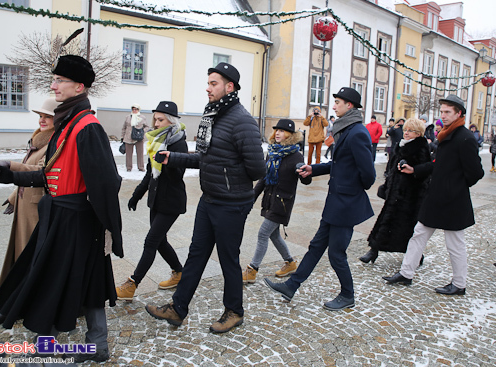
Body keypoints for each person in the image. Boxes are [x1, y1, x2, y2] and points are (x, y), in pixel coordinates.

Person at [0, 54, 123, 363]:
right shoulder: (68, 123)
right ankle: (68, 340)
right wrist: (9, 175)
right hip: (58, 214)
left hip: (77, 220)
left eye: (59, 80)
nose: (53, 85)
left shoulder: (88, 126)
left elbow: (108, 182)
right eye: (54, 79)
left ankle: (85, 343)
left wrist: (105, 229)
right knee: (59, 276)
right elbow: (48, 176)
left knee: (80, 278)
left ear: (79, 87)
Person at [144, 62, 265, 333]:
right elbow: (206, 159)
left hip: (231, 204)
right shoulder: (213, 116)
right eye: (208, 83)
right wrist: (173, 158)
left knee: (227, 258)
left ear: (229, 87)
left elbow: (258, 169)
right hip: (210, 199)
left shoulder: (243, 121)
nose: (208, 88)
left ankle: (234, 311)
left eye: (213, 83)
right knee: (197, 253)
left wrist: (228, 176)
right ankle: (178, 308)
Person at [264, 87, 376, 311]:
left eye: (337, 102)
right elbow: (340, 164)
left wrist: (349, 189)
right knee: (316, 246)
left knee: (336, 253)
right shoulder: (345, 130)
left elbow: (369, 175)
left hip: (345, 204)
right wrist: (312, 169)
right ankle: (291, 286)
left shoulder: (358, 133)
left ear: (349, 106)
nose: (333, 106)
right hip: (336, 203)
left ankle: (348, 295)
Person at [383, 95, 484, 295]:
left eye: (448, 112)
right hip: (435, 197)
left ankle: (459, 284)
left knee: (455, 243)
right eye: (442, 112)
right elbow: (437, 165)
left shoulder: (465, 138)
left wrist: (455, 187)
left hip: (453, 200)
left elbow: (476, 172)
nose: (443, 116)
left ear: (458, 114)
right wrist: (416, 170)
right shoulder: (445, 135)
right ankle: (406, 273)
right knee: (418, 234)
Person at [0, 97, 60, 326]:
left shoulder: (54, 142)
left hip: (37, 211)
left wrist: (11, 166)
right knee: (20, 259)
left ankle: (16, 307)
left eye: (47, 116)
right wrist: (14, 197)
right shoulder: (39, 138)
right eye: (41, 116)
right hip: (26, 207)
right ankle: (15, 304)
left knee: (30, 261)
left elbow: (42, 171)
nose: (42, 120)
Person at [116, 101, 187, 301]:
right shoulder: (157, 140)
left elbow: (177, 174)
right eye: (155, 118)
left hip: (171, 201)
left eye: (160, 119)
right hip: (156, 200)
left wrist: (169, 160)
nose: (156, 123)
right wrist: (137, 194)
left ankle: (132, 284)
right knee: (160, 241)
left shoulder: (177, 142)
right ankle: (179, 272)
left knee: (151, 242)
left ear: (171, 121)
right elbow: (150, 173)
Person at [242, 119, 311, 284]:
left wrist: (304, 172)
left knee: (263, 233)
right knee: (273, 235)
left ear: (290, 135)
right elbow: (264, 178)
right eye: (276, 130)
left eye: (282, 131)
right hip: (270, 200)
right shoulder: (272, 152)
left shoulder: (296, 155)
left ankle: (252, 270)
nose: (278, 133)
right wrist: (252, 197)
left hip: (282, 203)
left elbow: (306, 181)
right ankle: (290, 263)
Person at [359, 118, 431, 265]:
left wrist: (412, 170)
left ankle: (416, 255)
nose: (407, 133)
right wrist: (387, 186)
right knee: (385, 222)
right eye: (406, 130)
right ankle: (374, 250)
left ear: (418, 133)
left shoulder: (420, 147)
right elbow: (392, 169)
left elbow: (425, 171)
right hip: (395, 193)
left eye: (411, 131)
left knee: (407, 228)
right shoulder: (401, 145)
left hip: (410, 195)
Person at [121, 103, 151, 171]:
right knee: (128, 154)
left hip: (139, 138)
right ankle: (129, 167)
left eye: (136, 109)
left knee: (140, 153)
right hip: (128, 137)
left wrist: (142, 131)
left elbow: (147, 126)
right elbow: (124, 127)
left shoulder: (142, 117)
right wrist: (122, 136)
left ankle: (141, 167)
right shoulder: (128, 117)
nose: (134, 110)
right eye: (133, 109)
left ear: (138, 110)